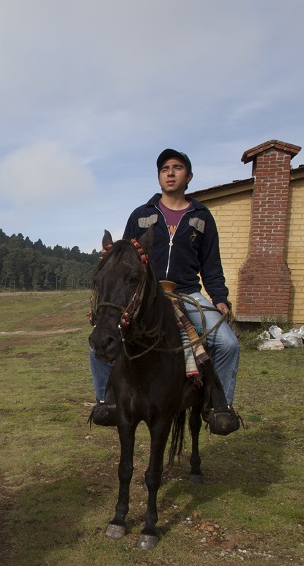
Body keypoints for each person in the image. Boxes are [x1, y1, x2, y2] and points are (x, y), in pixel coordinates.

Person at [90, 148, 242, 435]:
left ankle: (219, 406)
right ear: (159, 177)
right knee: (98, 341)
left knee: (228, 343)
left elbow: (211, 264)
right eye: (164, 169)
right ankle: (106, 401)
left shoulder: (202, 217)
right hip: (146, 295)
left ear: (189, 176)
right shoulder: (142, 215)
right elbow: (126, 260)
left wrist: (220, 298)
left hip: (187, 293)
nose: (170, 173)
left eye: (177, 167)